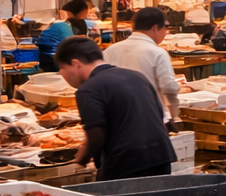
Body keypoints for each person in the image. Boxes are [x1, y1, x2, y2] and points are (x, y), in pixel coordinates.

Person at [56, 36, 177, 181]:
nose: (62, 74)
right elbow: (159, 115)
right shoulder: (136, 76)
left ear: (75, 63)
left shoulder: (89, 89)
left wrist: (82, 159)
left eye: (62, 68)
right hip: (161, 157)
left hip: (126, 163)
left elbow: (96, 134)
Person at [104, 7, 182, 124]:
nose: (166, 33)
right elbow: (169, 88)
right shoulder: (157, 52)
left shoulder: (110, 50)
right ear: (155, 28)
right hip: (150, 119)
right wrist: (175, 116)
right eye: (165, 29)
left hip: (117, 120)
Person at [37, 0, 93, 71]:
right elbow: (72, 44)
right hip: (55, 63)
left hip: (48, 61)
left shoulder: (65, 24)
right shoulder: (62, 25)